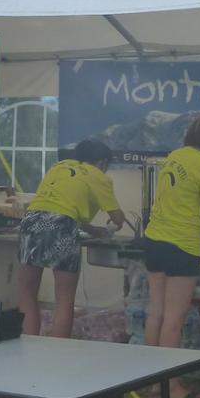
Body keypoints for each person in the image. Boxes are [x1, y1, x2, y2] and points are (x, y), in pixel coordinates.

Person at [142, 111, 200, 398]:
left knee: (156, 312)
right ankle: (172, 386)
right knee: (175, 318)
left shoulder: (175, 156)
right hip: (181, 245)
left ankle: (152, 380)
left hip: (154, 239)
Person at [16, 139, 125, 338]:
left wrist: (92, 229)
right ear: (102, 163)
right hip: (62, 227)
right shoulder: (98, 175)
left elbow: (58, 205)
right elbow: (118, 218)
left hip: (30, 221)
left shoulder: (58, 167)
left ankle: (27, 346)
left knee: (27, 292)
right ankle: (60, 354)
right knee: (64, 298)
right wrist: (114, 225)